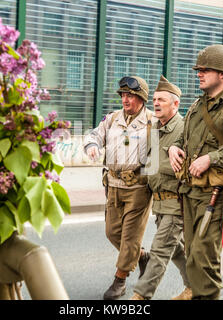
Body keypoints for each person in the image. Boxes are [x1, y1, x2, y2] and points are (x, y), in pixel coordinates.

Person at [168, 44, 223, 300]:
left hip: (214, 196)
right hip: (190, 193)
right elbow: (185, 140)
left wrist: (212, 158)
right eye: (199, 69)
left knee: (204, 258)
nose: (199, 73)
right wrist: (173, 149)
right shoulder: (198, 106)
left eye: (206, 69)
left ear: (222, 74)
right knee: (193, 259)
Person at [83, 76, 153, 300]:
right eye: (123, 95)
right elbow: (95, 134)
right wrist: (92, 146)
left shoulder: (153, 122)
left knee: (131, 236)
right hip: (113, 185)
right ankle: (142, 257)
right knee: (112, 232)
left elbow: (157, 162)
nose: (125, 99)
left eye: (130, 95)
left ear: (141, 98)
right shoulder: (112, 119)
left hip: (139, 189)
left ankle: (120, 280)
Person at [130, 76, 191, 301]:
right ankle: (194, 286)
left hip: (177, 202)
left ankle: (140, 297)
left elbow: (187, 165)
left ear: (175, 104)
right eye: (154, 99)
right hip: (159, 202)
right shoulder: (155, 127)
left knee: (159, 251)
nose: (156, 103)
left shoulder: (185, 128)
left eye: (162, 100)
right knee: (176, 249)